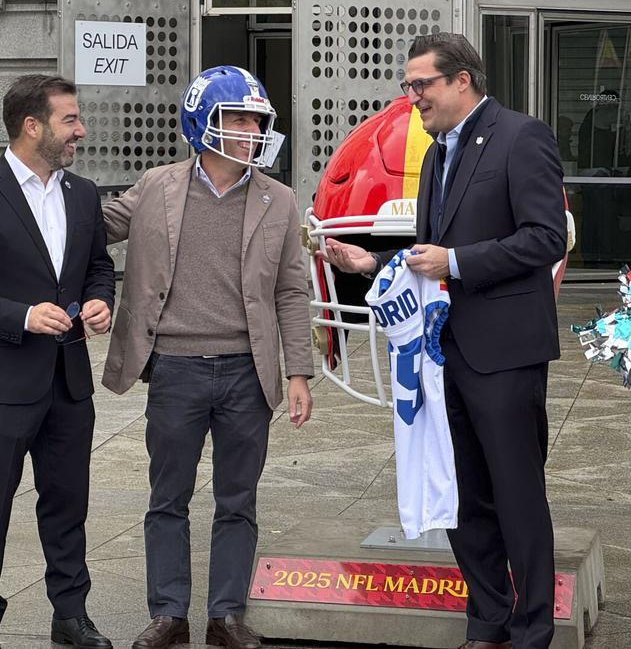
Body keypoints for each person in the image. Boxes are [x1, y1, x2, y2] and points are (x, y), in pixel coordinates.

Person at [324, 33, 567, 649]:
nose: (412, 97)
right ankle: (486, 625)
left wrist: (456, 261)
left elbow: (544, 239)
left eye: (421, 84)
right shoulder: (436, 154)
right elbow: (426, 254)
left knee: (517, 498)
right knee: (463, 498)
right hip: (445, 356)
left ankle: (533, 631)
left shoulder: (521, 136)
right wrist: (370, 262)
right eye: (408, 86)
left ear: (463, 80)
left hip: (506, 354)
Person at [101, 65, 313, 649]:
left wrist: (298, 371)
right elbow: (88, 225)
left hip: (248, 371)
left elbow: (292, 290)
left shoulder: (279, 199)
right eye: (238, 118)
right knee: (166, 497)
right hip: (174, 369)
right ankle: (168, 613)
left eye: (257, 120)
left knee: (237, 500)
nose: (250, 130)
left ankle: (227, 614)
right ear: (203, 122)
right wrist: (29, 188)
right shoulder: (156, 186)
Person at [0, 74, 115, 649]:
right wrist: (21, 316)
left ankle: (71, 615)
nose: (80, 130)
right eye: (70, 119)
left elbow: (98, 267)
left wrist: (99, 300)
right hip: (1, 378)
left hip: (68, 379)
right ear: (32, 126)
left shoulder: (83, 194)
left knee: (68, 503)